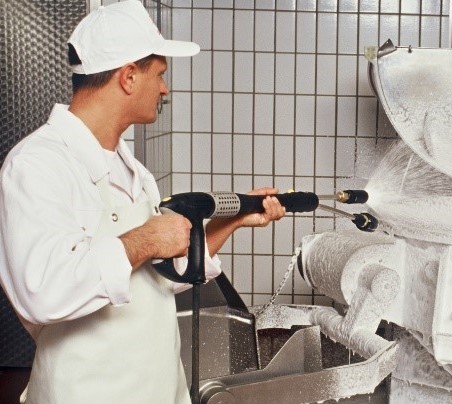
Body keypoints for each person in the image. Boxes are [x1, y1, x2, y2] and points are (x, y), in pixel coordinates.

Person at [0, 1, 285, 403]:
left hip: (154, 387)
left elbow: (159, 279)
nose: (165, 88)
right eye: (160, 75)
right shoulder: (37, 164)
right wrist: (144, 240)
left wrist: (234, 220)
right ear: (129, 77)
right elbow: (43, 291)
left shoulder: (130, 167)